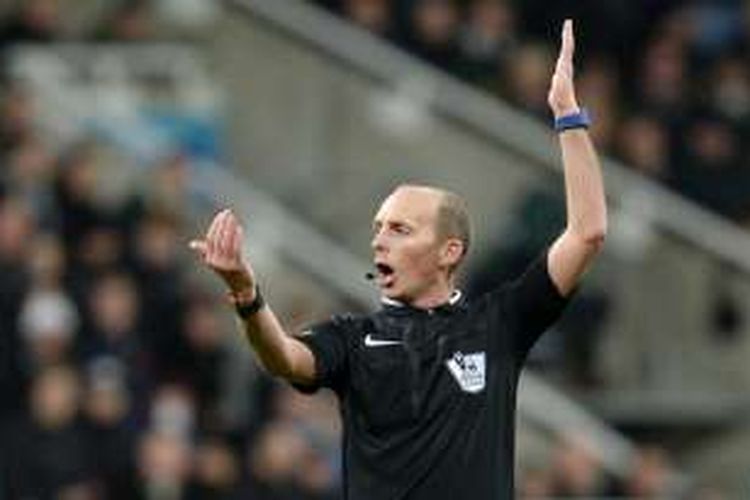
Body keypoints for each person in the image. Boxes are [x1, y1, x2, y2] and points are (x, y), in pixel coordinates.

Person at [190, 19, 606, 500]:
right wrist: (246, 294)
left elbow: (588, 232)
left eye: (400, 229)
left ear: (450, 251)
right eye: (378, 229)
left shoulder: (498, 324)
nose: (380, 240)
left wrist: (568, 116)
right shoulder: (351, 339)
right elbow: (283, 357)